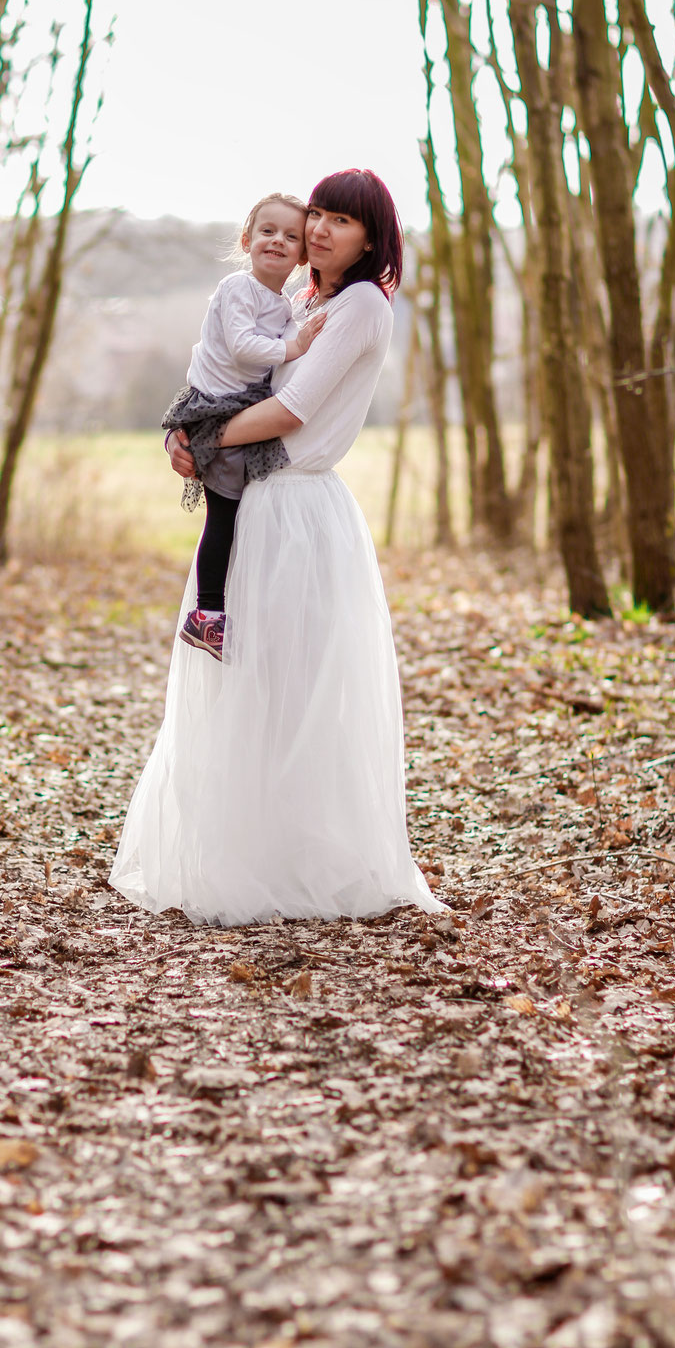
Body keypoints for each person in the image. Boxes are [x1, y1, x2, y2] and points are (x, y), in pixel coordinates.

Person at [109, 168, 447, 927]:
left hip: (299, 515)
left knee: (291, 690)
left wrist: (205, 436)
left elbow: (291, 410)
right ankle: (242, 859)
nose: (322, 231)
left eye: (342, 221)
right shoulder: (299, 301)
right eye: (317, 215)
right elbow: (232, 375)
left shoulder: (359, 306)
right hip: (251, 504)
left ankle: (305, 868)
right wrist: (183, 431)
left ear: (372, 238)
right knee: (242, 687)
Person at [162, 193, 326, 662]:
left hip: (238, 408)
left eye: (291, 237)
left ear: (302, 256)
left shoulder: (284, 305)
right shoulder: (238, 287)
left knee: (244, 514)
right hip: (213, 408)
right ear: (246, 240)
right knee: (226, 514)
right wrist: (294, 347)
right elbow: (241, 347)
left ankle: (238, 608)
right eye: (268, 231)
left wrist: (296, 337)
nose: (278, 241)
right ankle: (208, 614)